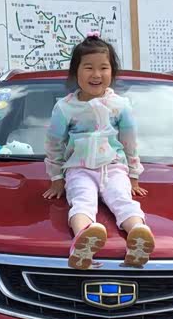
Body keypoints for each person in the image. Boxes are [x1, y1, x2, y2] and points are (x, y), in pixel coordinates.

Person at [43, 32, 155, 270]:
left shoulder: (120, 105)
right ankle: (83, 237)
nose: (96, 74)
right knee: (82, 202)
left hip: (114, 168)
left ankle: (138, 234)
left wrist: (134, 174)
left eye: (103, 68)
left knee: (123, 199)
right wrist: (56, 178)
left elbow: (129, 141)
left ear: (112, 72)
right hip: (79, 169)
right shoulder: (65, 108)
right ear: (76, 72)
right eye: (88, 68)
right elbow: (54, 143)